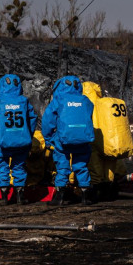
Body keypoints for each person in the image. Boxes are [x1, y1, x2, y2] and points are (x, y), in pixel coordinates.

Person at [0, 74, 37, 205]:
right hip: (22, 140)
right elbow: (32, 119)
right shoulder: (24, 101)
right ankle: (20, 196)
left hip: (2, 141)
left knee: (1, 166)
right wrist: (28, 134)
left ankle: (4, 196)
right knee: (19, 167)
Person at [42, 75, 96, 206]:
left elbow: (48, 121)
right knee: (81, 166)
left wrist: (49, 139)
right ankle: (85, 197)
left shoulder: (58, 100)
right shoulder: (86, 101)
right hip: (83, 139)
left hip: (63, 140)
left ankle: (59, 198)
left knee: (62, 167)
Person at [82, 81, 133, 201]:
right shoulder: (106, 104)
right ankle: (108, 193)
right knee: (109, 169)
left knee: (95, 167)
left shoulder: (88, 104)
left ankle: (94, 194)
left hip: (95, 141)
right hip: (111, 142)